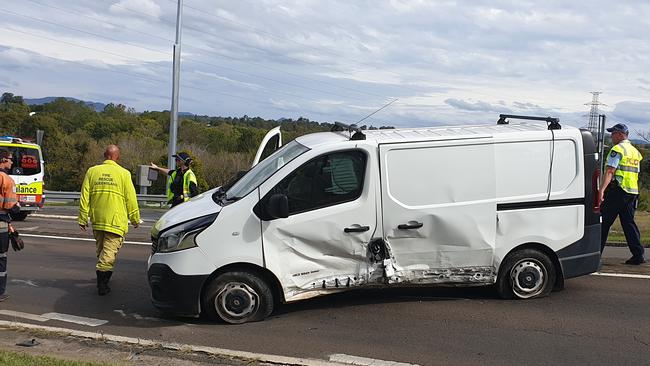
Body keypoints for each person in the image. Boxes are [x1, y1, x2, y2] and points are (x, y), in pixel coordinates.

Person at [78, 145, 140, 295]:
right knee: (108, 254)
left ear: (104, 155)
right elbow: (130, 198)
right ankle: (102, 285)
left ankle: (103, 276)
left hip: (98, 220)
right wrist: (135, 218)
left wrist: (82, 217)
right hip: (115, 221)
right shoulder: (123, 174)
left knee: (101, 252)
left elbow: (84, 195)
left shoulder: (92, 171)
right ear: (117, 157)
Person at [599, 123, 645, 265]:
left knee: (603, 222)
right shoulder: (635, 152)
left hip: (618, 190)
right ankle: (638, 255)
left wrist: (601, 190)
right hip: (632, 191)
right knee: (628, 223)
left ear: (620, 134)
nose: (611, 136)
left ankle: (594, 254)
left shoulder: (617, 149)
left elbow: (610, 171)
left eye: (613, 133)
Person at [0, 148, 20, 302]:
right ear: (3, 160)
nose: (12, 162)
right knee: (1, 258)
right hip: (1, 225)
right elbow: (12, 207)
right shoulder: (6, 180)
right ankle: (0, 292)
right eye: (10, 159)